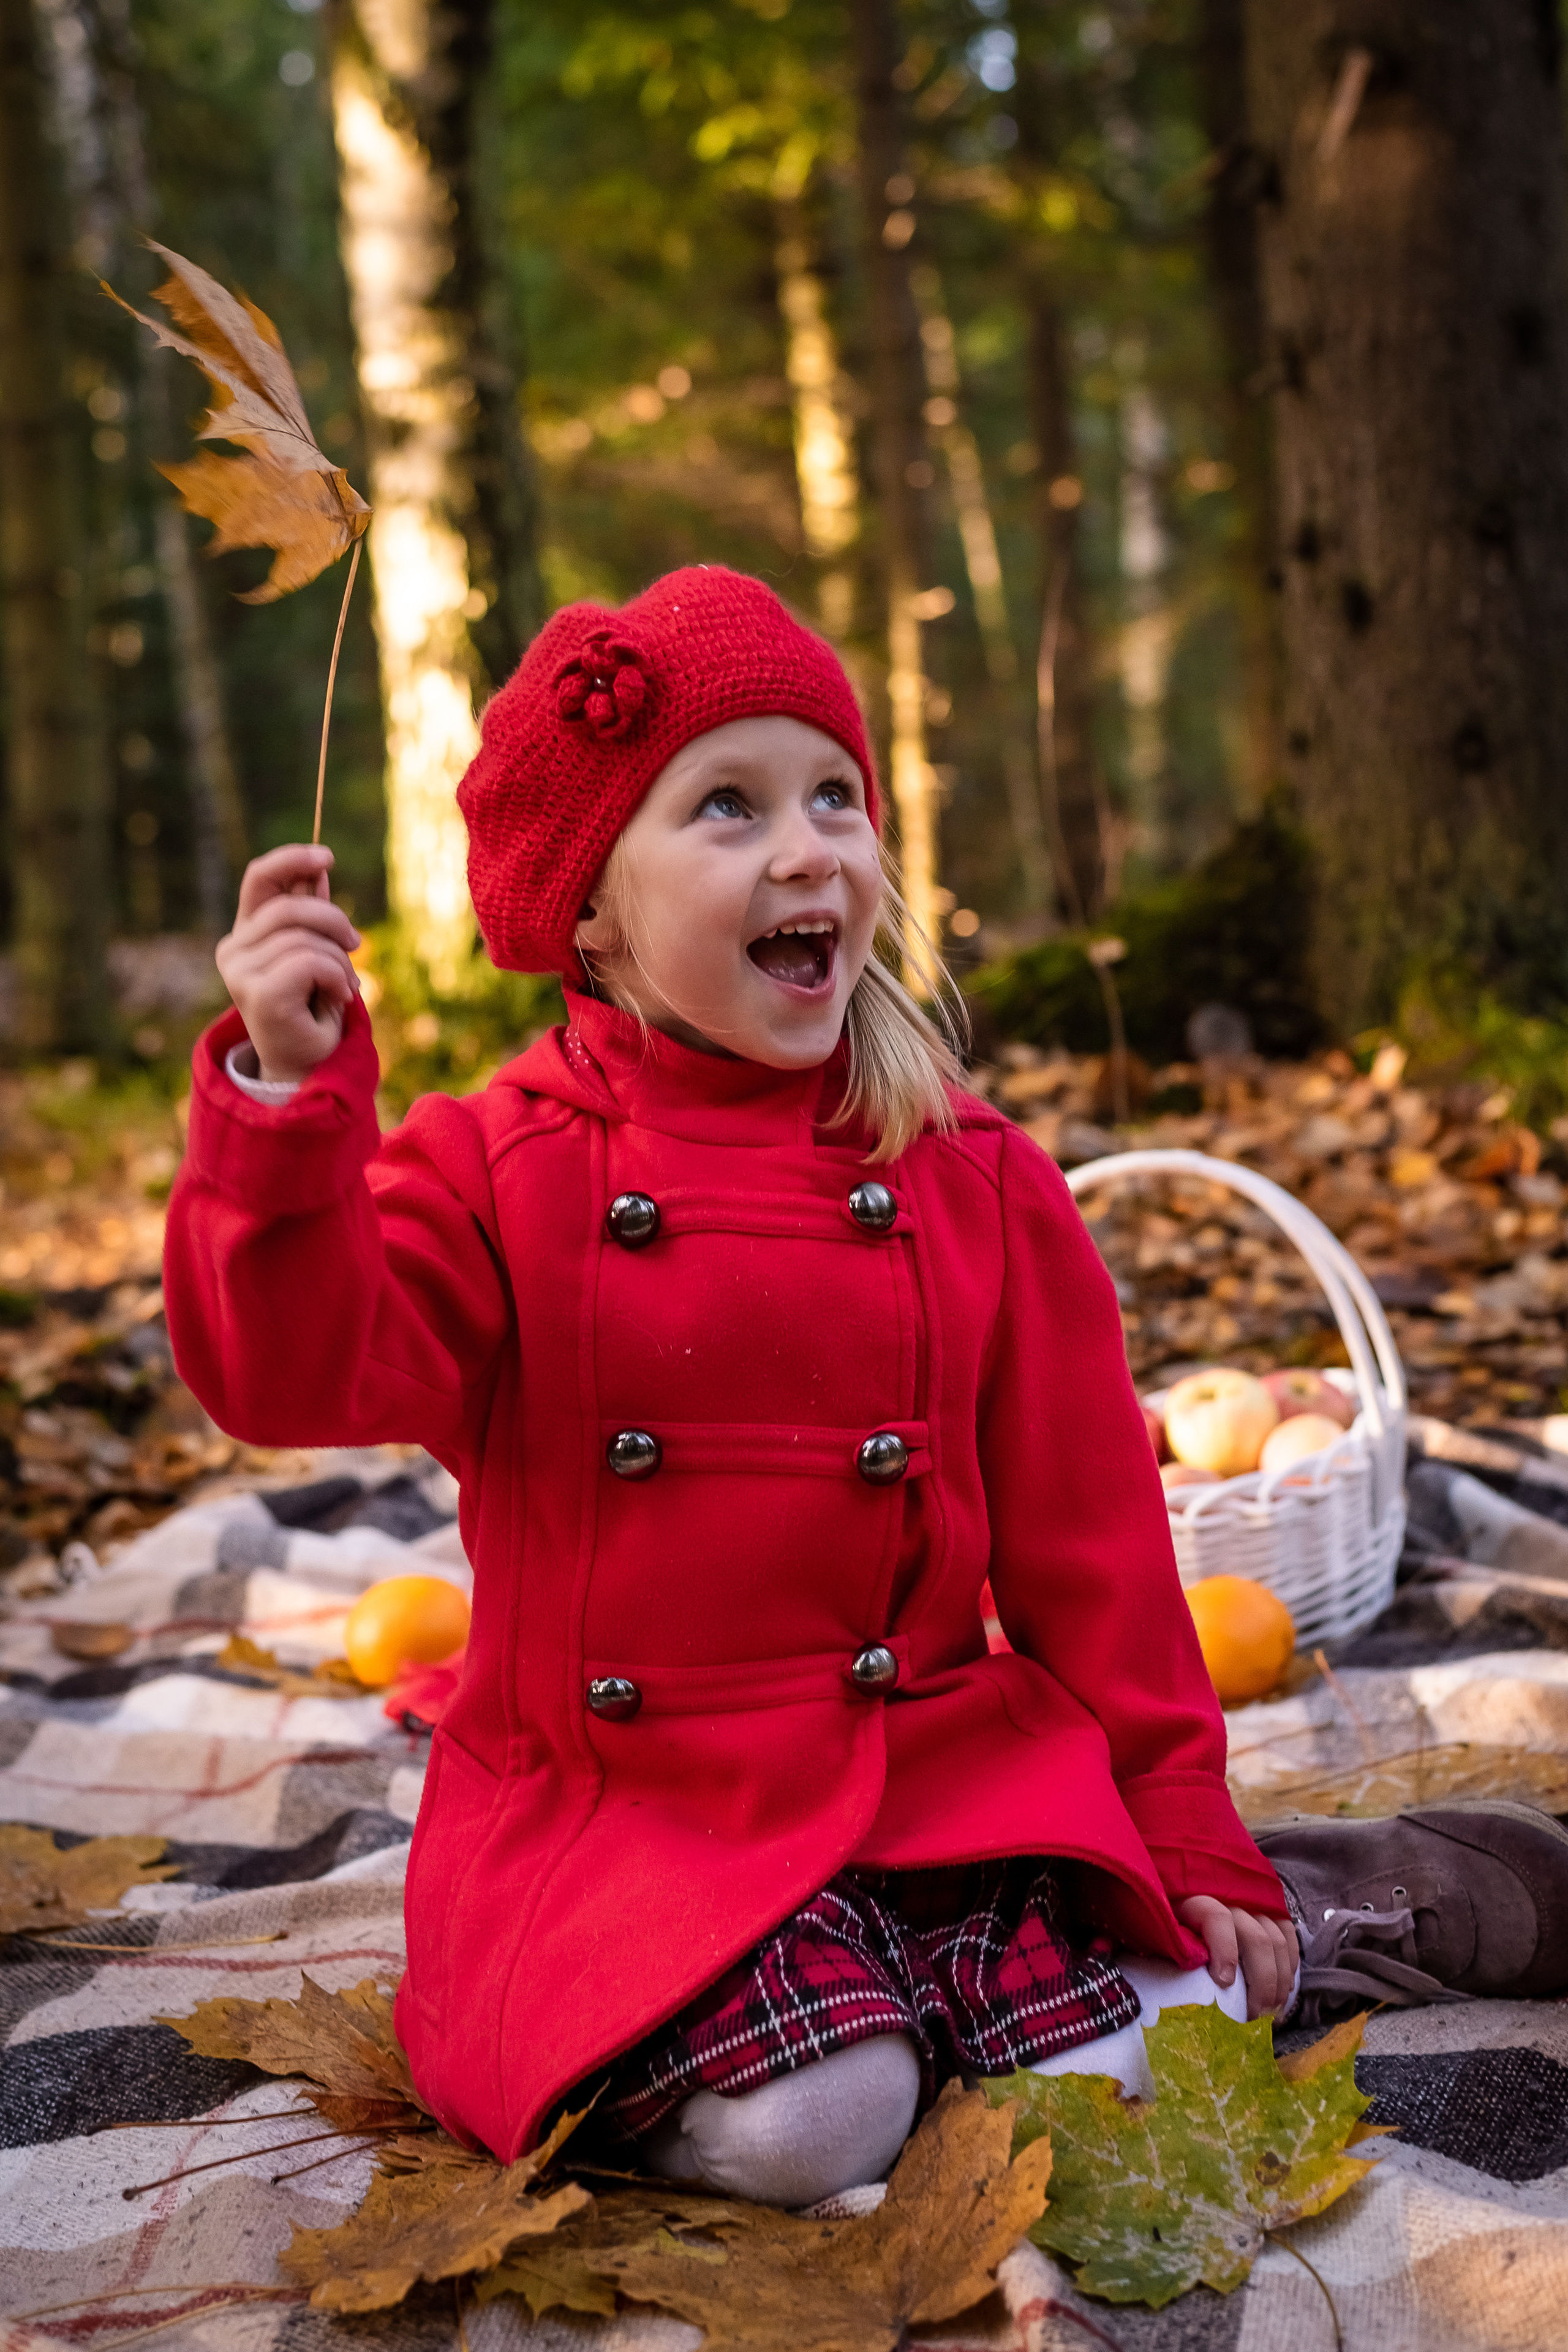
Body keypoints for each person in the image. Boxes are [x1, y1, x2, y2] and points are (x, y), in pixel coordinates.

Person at [164, 566, 1568, 2209]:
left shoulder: (968, 1172)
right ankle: (831, 2032)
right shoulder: (497, 1166)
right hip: (633, 1818)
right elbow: (293, 1370)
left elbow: (1093, 1553)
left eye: (835, 793)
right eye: (727, 807)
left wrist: (1182, 1814)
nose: (807, 845)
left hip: (927, 1775)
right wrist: (288, 1108)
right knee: (816, 2126)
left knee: (1127, 2070)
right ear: (594, 910)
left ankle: (1310, 1912)